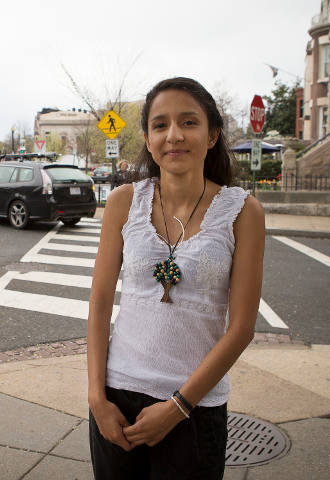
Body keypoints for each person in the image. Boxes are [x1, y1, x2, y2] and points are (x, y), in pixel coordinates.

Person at [87, 77, 265, 479]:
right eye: (160, 124)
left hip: (195, 408)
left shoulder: (244, 212)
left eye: (188, 122)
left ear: (212, 134)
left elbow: (241, 328)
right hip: (117, 401)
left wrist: (178, 407)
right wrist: (97, 398)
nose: (174, 135)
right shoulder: (123, 202)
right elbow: (99, 304)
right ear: (148, 138)